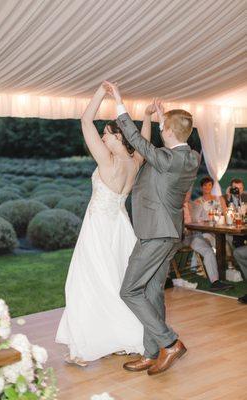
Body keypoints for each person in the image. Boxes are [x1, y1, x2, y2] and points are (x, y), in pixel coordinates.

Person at [56, 83, 161, 365]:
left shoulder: (108, 161)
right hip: (121, 229)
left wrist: (102, 93)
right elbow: (144, 142)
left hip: (99, 230)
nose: (102, 137)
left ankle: (84, 348)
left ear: (119, 137)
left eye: (107, 134)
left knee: (84, 284)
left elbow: (85, 120)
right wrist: (148, 118)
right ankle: (120, 337)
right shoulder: (134, 162)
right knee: (117, 283)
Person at [104, 81, 200, 376]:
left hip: (156, 235)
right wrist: (161, 118)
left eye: (164, 128)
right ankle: (151, 352)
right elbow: (169, 139)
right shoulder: (189, 157)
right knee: (153, 290)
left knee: (130, 290)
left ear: (168, 132)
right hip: (168, 233)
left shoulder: (168, 159)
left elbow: (137, 140)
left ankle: (169, 343)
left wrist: (119, 101)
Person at [183, 192, 233, 291]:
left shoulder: (196, 206)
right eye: (185, 191)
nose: (187, 194)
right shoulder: (172, 206)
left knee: (209, 252)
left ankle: (215, 282)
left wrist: (205, 221)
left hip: (194, 236)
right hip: (178, 238)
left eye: (189, 192)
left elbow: (206, 219)